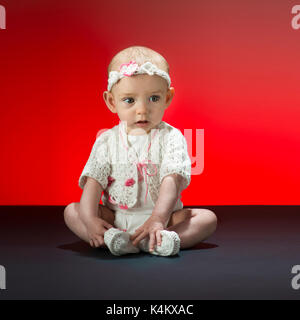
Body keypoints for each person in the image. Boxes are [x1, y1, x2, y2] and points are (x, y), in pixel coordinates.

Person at [64, 46, 217, 256]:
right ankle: (111, 238)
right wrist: (90, 220)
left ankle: (162, 239)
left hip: (163, 218)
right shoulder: (107, 140)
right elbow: (94, 182)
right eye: (129, 100)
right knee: (72, 211)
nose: (142, 109)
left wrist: (159, 219)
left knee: (207, 218)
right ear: (111, 101)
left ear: (167, 98)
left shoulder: (172, 138)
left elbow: (170, 180)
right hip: (116, 217)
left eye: (153, 98)